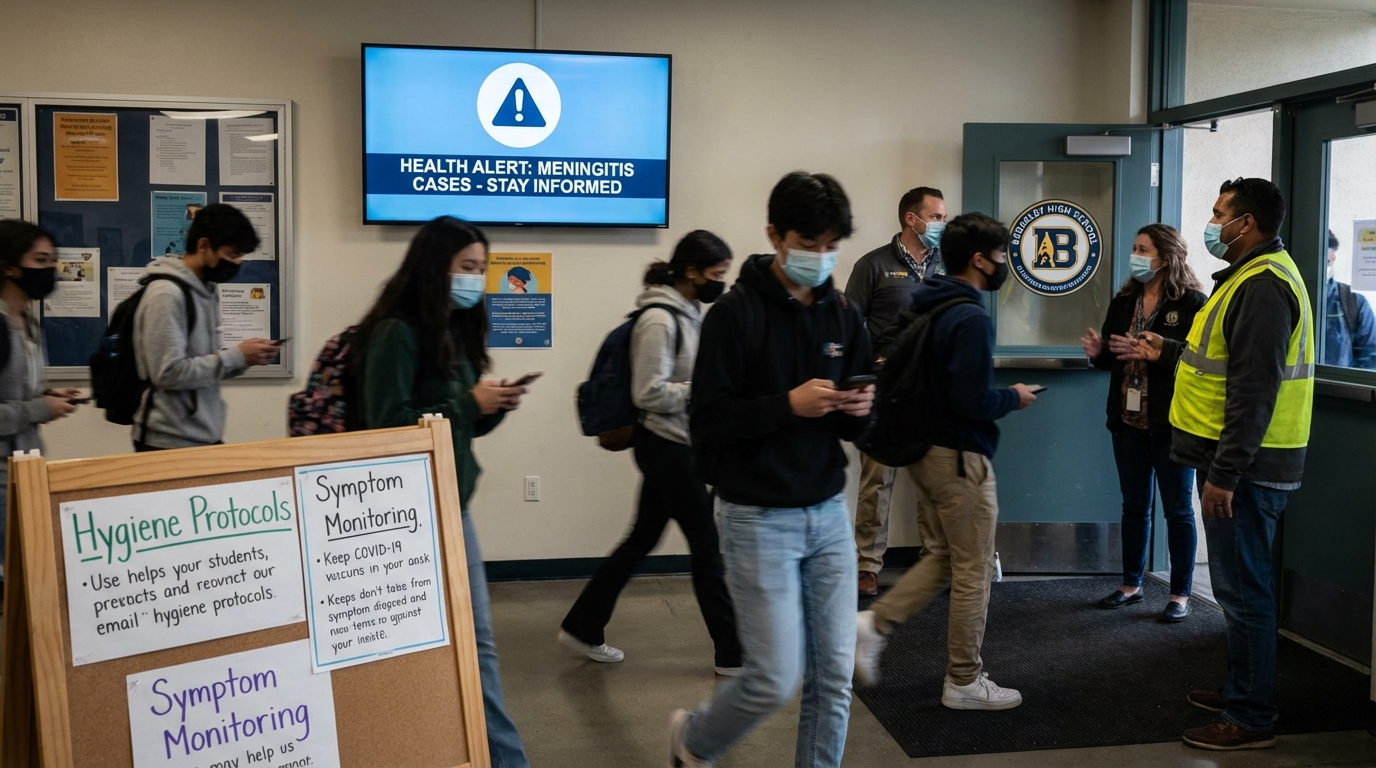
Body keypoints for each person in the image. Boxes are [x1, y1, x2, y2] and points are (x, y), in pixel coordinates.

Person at [668, 172, 875, 767]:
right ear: (775, 237)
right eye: (808, 243)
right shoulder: (734, 316)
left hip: (827, 513)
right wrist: (786, 404)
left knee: (834, 677)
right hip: (756, 517)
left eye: (831, 243)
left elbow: (855, 424)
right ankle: (694, 740)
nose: (821, 256)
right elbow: (706, 424)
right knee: (774, 678)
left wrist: (859, 410)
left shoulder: (842, 315)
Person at [1123, 178, 1312, 751]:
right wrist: (1170, 352)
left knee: (1243, 591)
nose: (1213, 222)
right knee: (1237, 589)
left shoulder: (1262, 286)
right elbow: (1225, 365)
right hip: (1239, 465)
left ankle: (1250, 715)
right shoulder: (1249, 280)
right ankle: (1241, 689)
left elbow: (1255, 391)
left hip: (1248, 472)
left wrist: (1225, 473)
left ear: (1246, 223)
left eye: (1219, 213)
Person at [351, 216, 532, 766]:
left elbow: (455, 429)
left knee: (473, 647)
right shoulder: (397, 333)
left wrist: (489, 407)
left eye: (481, 269)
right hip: (402, 514)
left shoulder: (450, 331)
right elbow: (390, 428)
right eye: (468, 268)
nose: (476, 280)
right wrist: (467, 405)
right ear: (436, 268)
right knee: (468, 648)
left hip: (450, 503)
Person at [853, 212, 1038, 711]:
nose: (1002, 265)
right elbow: (970, 399)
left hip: (924, 452)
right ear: (980, 260)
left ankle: (872, 625)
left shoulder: (926, 303)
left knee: (944, 556)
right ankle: (963, 680)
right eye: (1000, 256)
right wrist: (1013, 397)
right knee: (974, 569)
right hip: (960, 457)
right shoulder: (970, 317)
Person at [558, 230, 743, 674]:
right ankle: (732, 653)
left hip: (674, 444)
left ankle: (583, 625)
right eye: (716, 274)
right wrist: (703, 392)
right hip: (666, 446)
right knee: (706, 548)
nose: (720, 282)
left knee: (642, 538)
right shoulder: (659, 320)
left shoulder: (689, 312)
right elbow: (648, 393)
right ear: (691, 272)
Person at [1081, 224, 1205, 622]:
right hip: (1128, 420)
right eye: (1134, 247)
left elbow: (1199, 361)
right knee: (1134, 505)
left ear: (1165, 258)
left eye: (1143, 249)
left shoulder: (1192, 304)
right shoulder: (1124, 300)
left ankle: (1180, 594)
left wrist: (1159, 354)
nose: (1135, 255)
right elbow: (1111, 356)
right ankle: (1131, 584)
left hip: (1170, 422)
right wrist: (1099, 353)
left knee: (1178, 510)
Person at [845, 186, 947, 596]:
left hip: (932, 391)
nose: (942, 224)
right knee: (876, 482)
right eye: (937, 217)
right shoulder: (872, 265)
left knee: (934, 482)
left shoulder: (948, 265)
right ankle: (867, 566)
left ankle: (934, 561)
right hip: (884, 392)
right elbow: (849, 328)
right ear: (912, 219)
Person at [132, 204, 279, 450]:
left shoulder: (206, 289)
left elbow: (204, 364)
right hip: (168, 441)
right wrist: (236, 356)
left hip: (203, 434)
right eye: (232, 254)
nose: (238, 263)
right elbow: (167, 373)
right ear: (203, 245)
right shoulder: (167, 295)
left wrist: (246, 358)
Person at [0, 220, 81, 580]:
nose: (51, 270)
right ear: (9, 266)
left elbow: (16, 391)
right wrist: (38, 409)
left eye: (53, 260)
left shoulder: (29, 322)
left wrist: (48, 397)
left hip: (26, 467)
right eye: (41, 260)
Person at [1322, 229, 1376, 369]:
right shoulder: (1286, 296)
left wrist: (1350, 390)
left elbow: (1370, 357)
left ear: (1333, 258)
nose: (1322, 267)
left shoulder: (1353, 302)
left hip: (1337, 389)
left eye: (1327, 261)